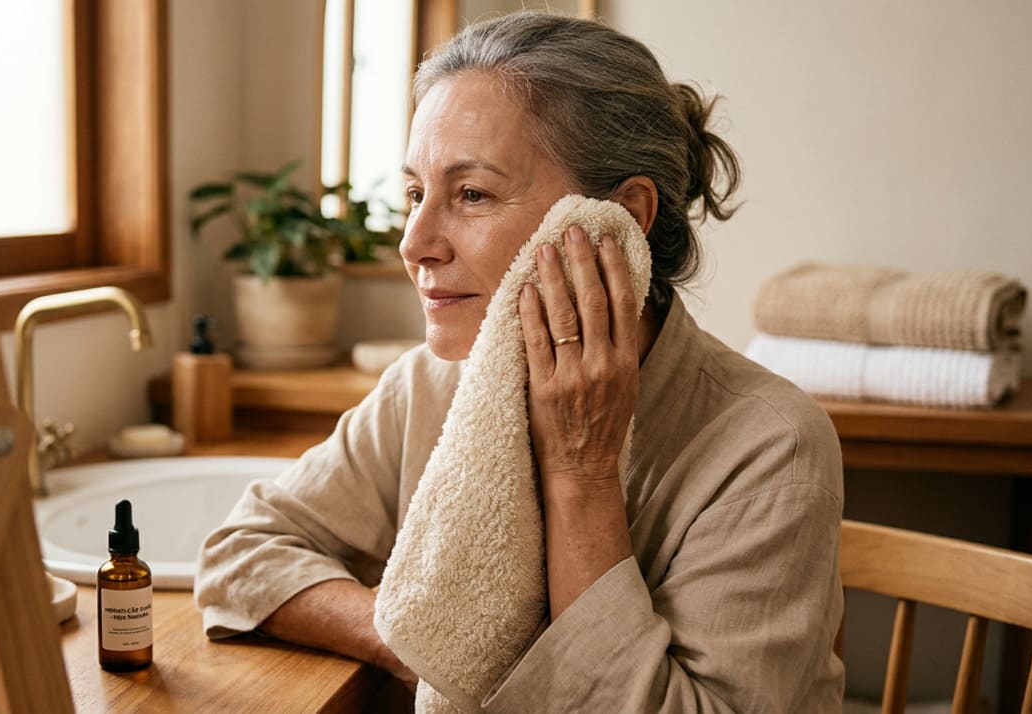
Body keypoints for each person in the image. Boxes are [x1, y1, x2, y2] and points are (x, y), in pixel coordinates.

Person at [197, 11, 844, 712]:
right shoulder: (430, 385)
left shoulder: (770, 445)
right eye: (416, 193)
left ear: (619, 217)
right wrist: (426, 641)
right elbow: (242, 554)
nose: (415, 244)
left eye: (471, 194)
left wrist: (582, 471)